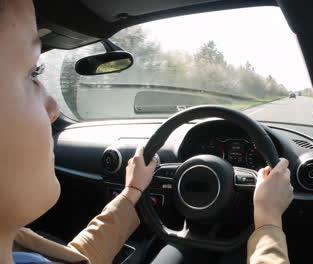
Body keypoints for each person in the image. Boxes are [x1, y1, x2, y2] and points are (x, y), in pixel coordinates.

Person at [0, 0, 293, 263]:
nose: (53, 109)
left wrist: (132, 192)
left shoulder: (19, 251)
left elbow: (77, 259)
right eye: (31, 74)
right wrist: (268, 219)